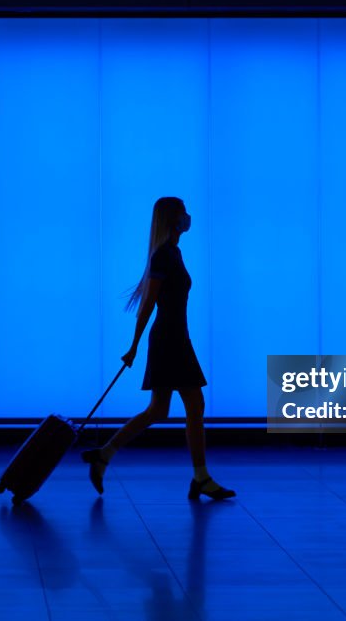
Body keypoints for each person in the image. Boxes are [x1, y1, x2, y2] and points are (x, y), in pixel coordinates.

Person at [81, 196, 236, 501]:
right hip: (170, 339)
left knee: (159, 410)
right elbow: (148, 305)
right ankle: (201, 478)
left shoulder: (173, 253)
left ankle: (105, 455)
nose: (188, 217)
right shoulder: (163, 256)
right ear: (173, 220)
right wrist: (134, 345)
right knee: (193, 403)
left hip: (175, 336)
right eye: (183, 213)